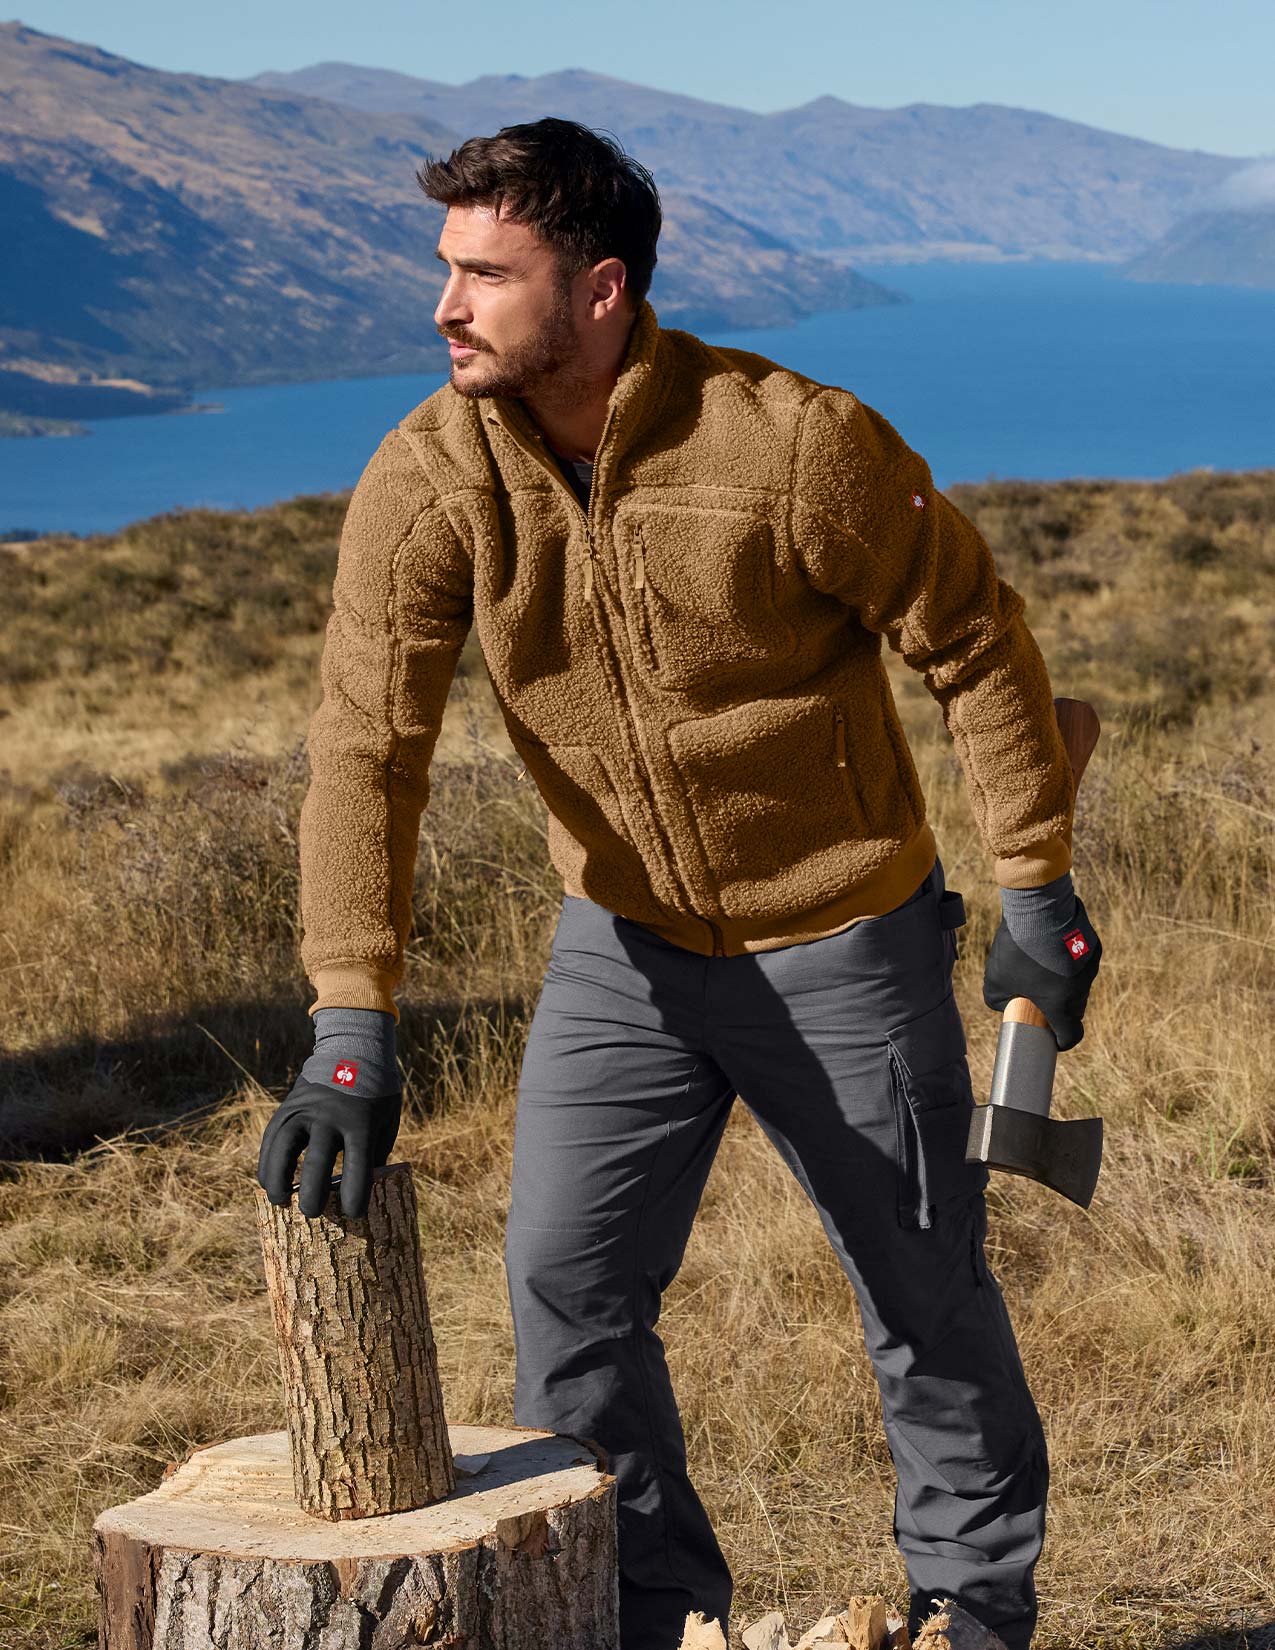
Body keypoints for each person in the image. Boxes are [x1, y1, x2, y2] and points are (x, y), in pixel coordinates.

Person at [258, 116, 1102, 1650]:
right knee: (566, 1295)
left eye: (484, 274)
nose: (443, 305)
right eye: (443, 267)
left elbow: (973, 639)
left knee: (923, 1291)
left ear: (600, 290)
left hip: (843, 931)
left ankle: (973, 1607)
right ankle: (646, 1613)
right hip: (624, 949)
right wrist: (348, 1013)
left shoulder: (793, 445)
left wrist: (1035, 883)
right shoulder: (431, 479)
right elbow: (364, 747)